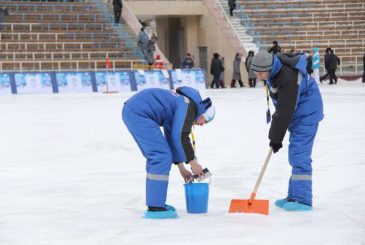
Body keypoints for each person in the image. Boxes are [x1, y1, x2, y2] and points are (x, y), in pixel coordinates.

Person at [122, 86, 216, 219]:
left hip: (135, 111)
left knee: (161, 155)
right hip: (138, 113)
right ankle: (156, 207)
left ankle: (156, 203)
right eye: (205, 121)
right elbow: (181, 136)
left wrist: (182, 168)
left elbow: (173, 137)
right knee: (160, 156)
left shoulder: (183, 104)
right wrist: (193, 163)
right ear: (202, 114)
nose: (202, 124)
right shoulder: (188, 106)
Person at [250, 50, 324, 211]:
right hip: (298, 113)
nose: (258, 76)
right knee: (295, 154)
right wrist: (276, 135)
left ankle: (303, 199)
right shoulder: (275, 72)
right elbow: (283, 109)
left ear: (269, 68)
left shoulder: (288, 77)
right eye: (256, 73)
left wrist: (275, 138)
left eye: (261, 73)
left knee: (299, 154)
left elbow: (285, 110)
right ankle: (293, 195)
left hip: (306, 114)